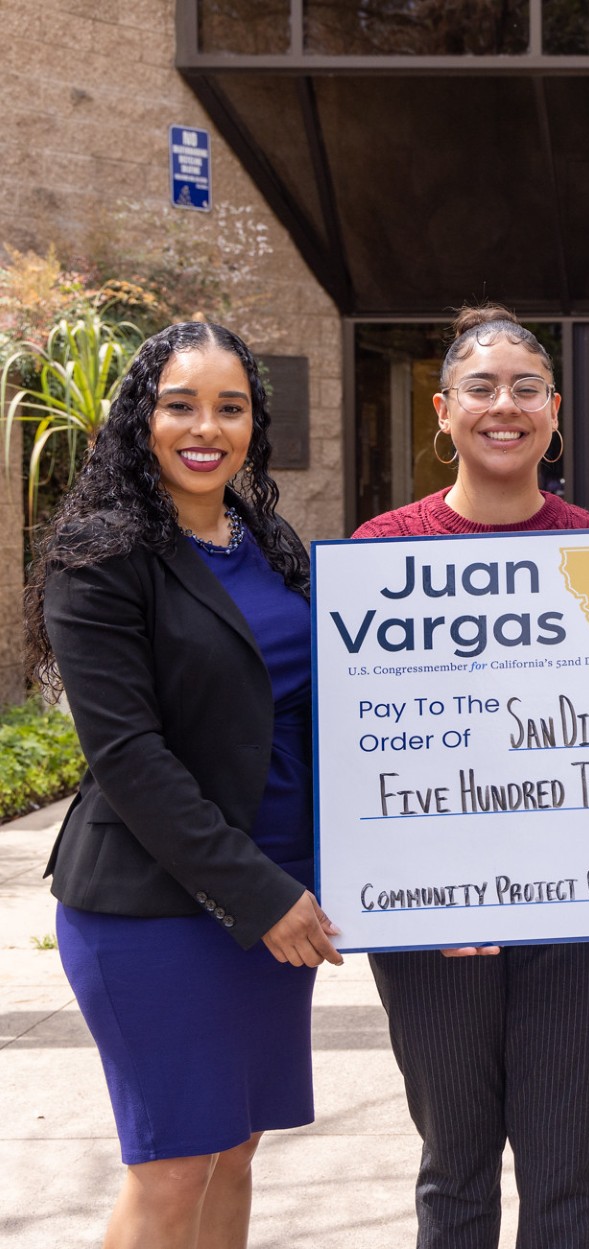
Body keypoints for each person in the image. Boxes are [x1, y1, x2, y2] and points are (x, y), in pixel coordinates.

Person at [26, 321, 341, 1247]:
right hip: (158, 907)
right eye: (180, 404)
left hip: (279, 896)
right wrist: (261, 897)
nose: (206, 427)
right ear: (140, 418)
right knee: (172, 1165)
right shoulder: (103, 554)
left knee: (235, 1147)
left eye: (229, 407)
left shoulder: (268, 539)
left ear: (253, 422)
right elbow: (128, 755)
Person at [353, 305, 589, 1249]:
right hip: (437, 922)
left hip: (575, 913)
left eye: (524, 389)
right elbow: (364, 749)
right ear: (443, 408)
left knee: (564, 1173)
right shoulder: (384, 552)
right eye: (480, 387)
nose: (502, 406)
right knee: (457, 1170)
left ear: (554, 410)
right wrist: (427, 888)